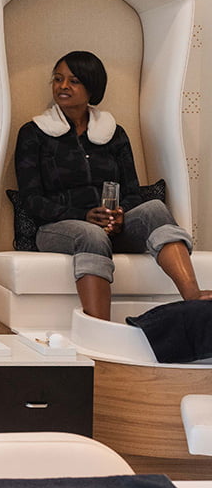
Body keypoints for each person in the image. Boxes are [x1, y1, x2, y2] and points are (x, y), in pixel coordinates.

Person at [15, 50, 208, 320]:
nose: (63, 86)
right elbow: (32, 200)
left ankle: (193, 297)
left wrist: (119, 215)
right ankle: (98, 327)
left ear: (92, 87)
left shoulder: (113, 134)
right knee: (90, 233)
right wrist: (83, 215)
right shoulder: (34, 133)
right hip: (57, 228)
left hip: (111, 229)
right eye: (58, 79)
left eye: (73, 81)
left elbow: (132, 191)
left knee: (154, 208)